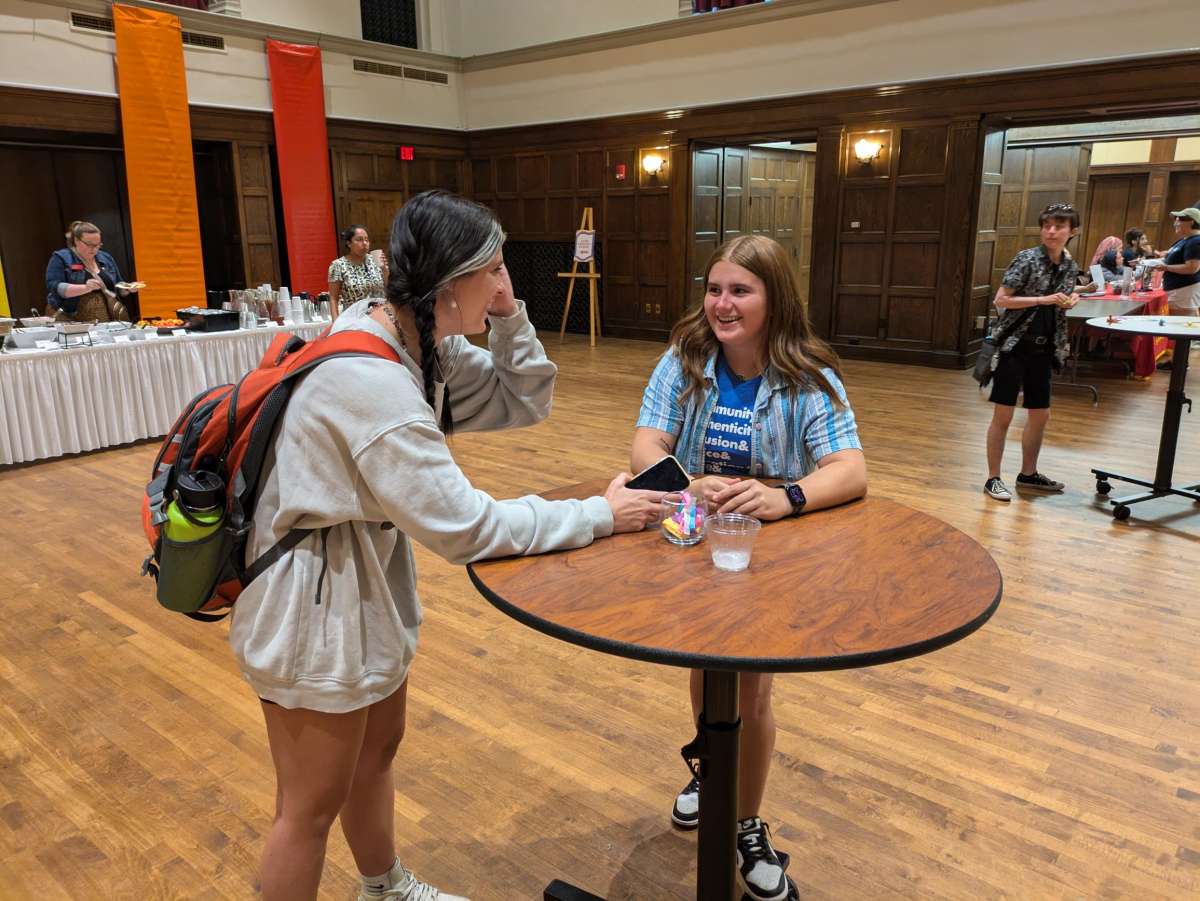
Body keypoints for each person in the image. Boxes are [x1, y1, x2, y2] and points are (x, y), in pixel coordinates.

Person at [230, 190, 663, 901]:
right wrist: (598, 514)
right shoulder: (371, 384)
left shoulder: (414, 339)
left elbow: (526, 398)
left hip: (358, 584)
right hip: (311, 606)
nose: (502, 282)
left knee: (376, 752)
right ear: (447, 280)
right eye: (492, 270)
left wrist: (511, 314)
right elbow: (467, 527)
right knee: (305, 810)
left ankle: (384, 885)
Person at [630, 234, 867, 901]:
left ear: (775, 297)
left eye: (741, 290)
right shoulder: (685, 358)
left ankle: (745, 819)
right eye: (714, 288)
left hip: (768, 554)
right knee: (707, 668)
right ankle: (712, 772)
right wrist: (687, 483)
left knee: (754, 690)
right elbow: (647, 441)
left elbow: (850, 470)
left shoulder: (809, 374)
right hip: (694, 536)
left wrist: (784, 497)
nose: (722, 304)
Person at [983, 201, 1080, 503]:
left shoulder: (1069, 264)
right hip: (1014, 347)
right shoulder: (1026, 259)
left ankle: (1028, 473)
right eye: (1047, 225)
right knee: (1003, 415)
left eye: (1059, 226)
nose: (1051, 231)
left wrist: (1072, 298)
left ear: (1072, 231)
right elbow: (1001, 300)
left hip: (1044, 347)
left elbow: (1064, 297)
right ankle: (993, 478)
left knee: (1040, 415)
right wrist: (1043, 299)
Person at [44, 221, 137, 321]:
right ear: (76, 240)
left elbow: (118, 286)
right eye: (89, 245)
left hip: (103, 316)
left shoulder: (105, 257)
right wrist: (85, 288)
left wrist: (128, 287)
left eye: (97, 245)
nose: (94, 249)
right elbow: (54, 286)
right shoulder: (61, 257)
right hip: (68, 315)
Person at [328, 224, 386, 309]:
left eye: (366, 240)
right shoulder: (338, 265)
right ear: (349, 243)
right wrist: (336, 322)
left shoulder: (374, 260)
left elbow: (389, 288)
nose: (364, 243)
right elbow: (333, 298)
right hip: (354, 317)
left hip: (379, 316)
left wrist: (385, 270)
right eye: (359, 240)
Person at [1158, 207, 1200, 314]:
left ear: (1191, 222)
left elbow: (1192, 268)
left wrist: (1166, 267)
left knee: (1181, 326)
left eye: (1178, 220)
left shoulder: (1195, 241)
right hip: (1177, 291)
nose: (1175, 224)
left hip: (1184, 291)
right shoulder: (1185, 240)